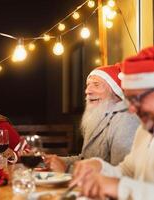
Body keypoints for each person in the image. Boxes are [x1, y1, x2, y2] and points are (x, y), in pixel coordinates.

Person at [70, 46, 154, 200]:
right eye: (129, 99)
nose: (132, 109)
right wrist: (99, 166)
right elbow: (127, 171)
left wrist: (119, 187)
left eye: (136, 99)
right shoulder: (144, 131)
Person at [45, 64, 139, 172]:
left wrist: (66, 169)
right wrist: (55, 160)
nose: (87, 91)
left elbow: (122, 173)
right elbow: (84, 159)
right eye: (88, 85)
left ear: (115, 91)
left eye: (96, 85)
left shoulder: (126, 120)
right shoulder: (98, 117)